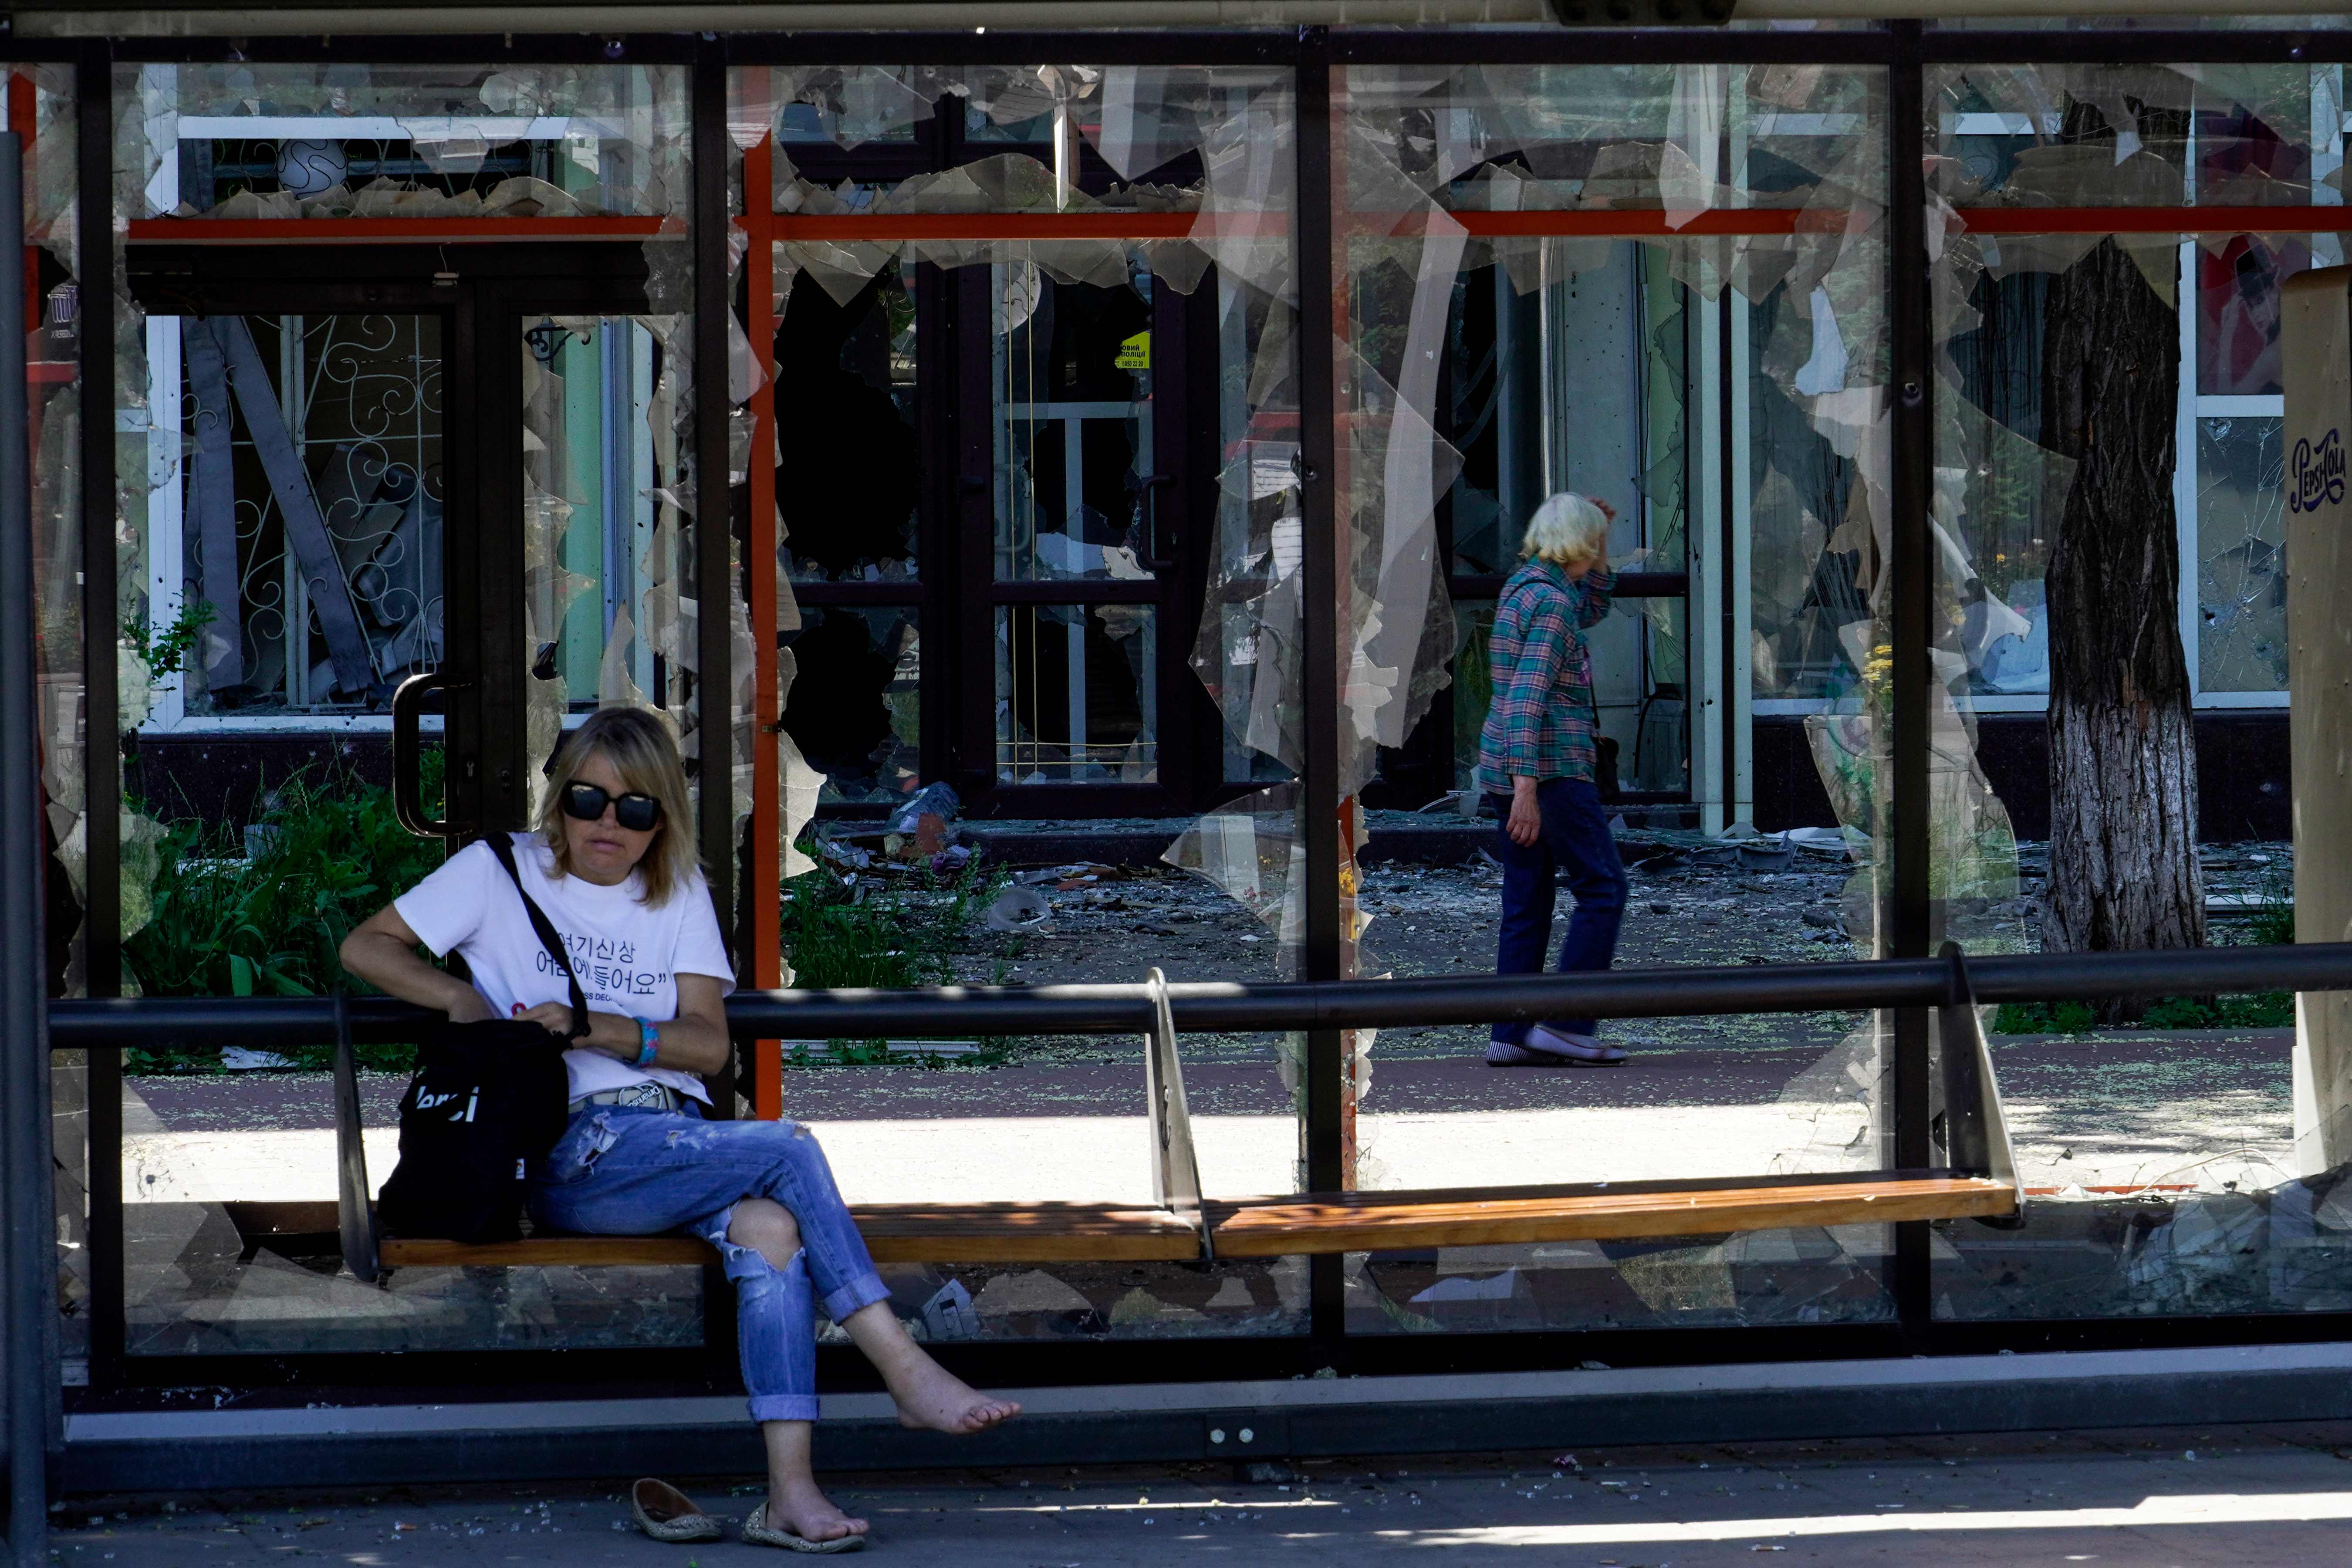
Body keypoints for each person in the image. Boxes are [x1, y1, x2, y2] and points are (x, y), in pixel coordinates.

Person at [341, 705, 1015, 1552]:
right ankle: (902, 1365)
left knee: (772, 1231)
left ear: (662, 814)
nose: (606, 825)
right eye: (588, 801)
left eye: (633, 809)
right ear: (561, 799)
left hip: (681, 1144)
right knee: (788, 1144)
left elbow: (706, 1044)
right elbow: (367, 946)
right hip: (574, 1151)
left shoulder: (677, 891)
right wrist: (462, 999)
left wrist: (603, 1029)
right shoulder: (498, 873)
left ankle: (791, 1497)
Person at [1475, 492, 1633, 1068]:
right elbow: (1528, 698)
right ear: (1581, 545)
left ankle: (1512, 1032)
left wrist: (1602, 542)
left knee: (1528, 897)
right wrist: (1527, 792)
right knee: (1604, 887)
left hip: (1512, 765)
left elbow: (1593, 607)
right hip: (1551, 768)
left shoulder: (1530, 589)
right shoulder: (1550, 606)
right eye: (1595, 544)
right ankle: (1567, 1023)